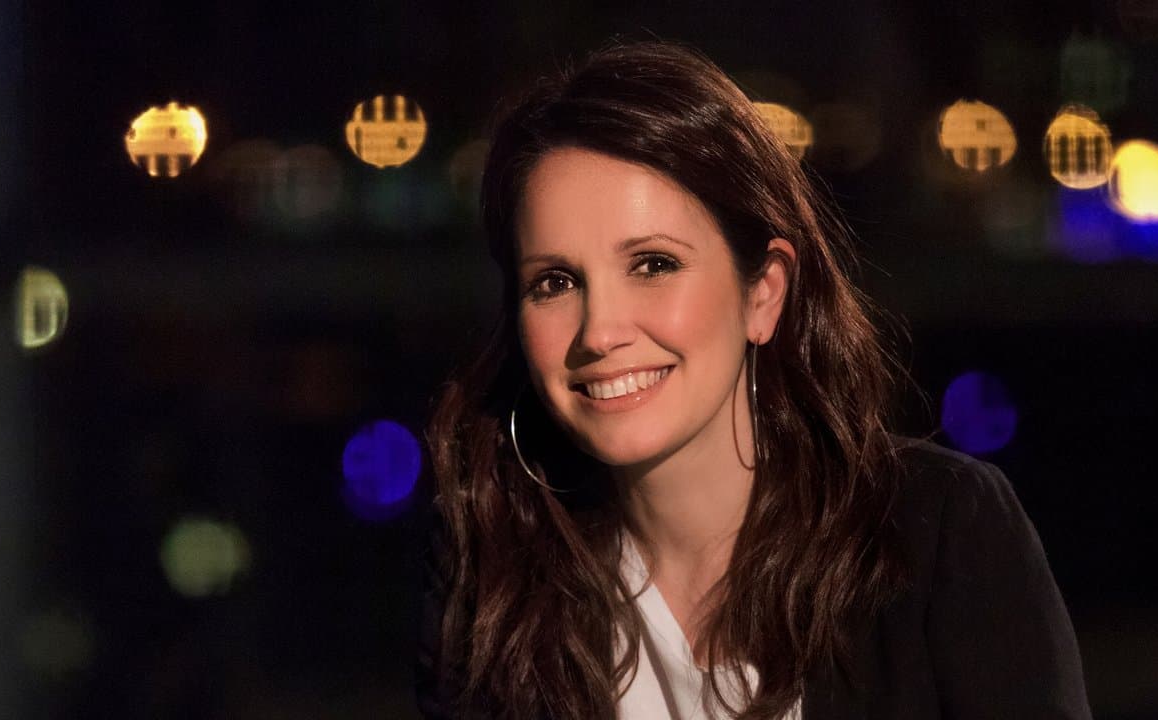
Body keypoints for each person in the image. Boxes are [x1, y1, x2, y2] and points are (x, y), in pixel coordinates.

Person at [416, 41, 1091, 720]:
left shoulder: (939, 532)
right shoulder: (492, 567)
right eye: (556, 282)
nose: (599, 331)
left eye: (653, 265)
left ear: (764, 292)